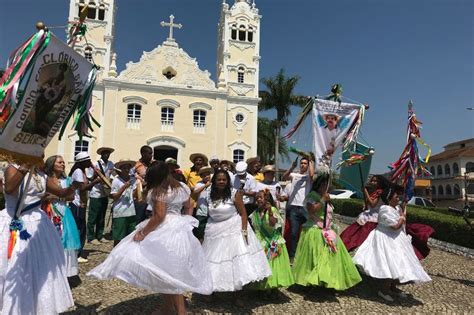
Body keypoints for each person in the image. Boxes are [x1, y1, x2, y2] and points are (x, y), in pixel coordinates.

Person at [87, 161, 212, 314]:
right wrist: (186, 221)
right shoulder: (182, 186)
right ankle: (167, 308)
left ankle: (180, 312)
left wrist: (143, 232)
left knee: (168, 273)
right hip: (180, 229)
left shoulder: (158, 191)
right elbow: (189, 205)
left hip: (165, 230)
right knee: (164, 271)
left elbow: (159, 216)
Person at [0, 162, 77, 313]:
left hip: (38, 224)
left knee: (40, 267)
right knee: (16, 263)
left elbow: (62, 193)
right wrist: (24, 168)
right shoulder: (13, 167)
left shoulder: (41, 175)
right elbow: (9, 189)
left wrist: (74, 186)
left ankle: (35, 305)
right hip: (15, 221)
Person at [353, 186, 431, 301]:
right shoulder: (385, 209)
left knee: (400, 263)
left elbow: (401, 220)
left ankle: (392, 287)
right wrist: (402, 218)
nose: (398, 198)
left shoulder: (396, 208)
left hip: (397, 239)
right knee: (390, 264)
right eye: (395, 196)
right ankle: (383, 290)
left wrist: (403, 209)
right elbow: (395, 226)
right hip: (386, 238)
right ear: (389, 198)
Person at [201, 169, 271, 292]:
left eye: (224, 179)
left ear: (228, 181)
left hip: (233, 228)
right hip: (214, 230)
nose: (221, 182)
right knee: (214, 261)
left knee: (234, 261)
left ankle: (237, 293)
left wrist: (244, 232)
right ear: (214, 181)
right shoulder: (208, 193)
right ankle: (213, 289)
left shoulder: (235, 193)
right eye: (219, 179)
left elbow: (243, 214)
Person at [292, 174, 362, 290]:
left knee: (327, 256)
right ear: (317, 185)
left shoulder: (327, 196)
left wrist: (327, 200)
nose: (324, 186)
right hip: (314, 229)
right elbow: (311, 210)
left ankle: (325, 280)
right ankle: (311, 281)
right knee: (315, 256)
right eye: (322, 184)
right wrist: (322, 200)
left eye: (326, 184)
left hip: (327, 230)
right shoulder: (312, 196)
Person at [43, 155, 81, 278]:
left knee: (65, 240)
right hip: (47, 212)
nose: (63, 164)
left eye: (63, 162)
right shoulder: (45, 179)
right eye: (59, 162)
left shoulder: (67, 181)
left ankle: (64, 271)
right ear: (52, 164)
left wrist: (56, 197)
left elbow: (71, 197)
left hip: (63, 211)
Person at [250, 190, 294, 290]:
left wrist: (269, 211)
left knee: (273, 266)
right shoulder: (255, 213)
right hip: (260, 243)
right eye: (257, 198)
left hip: (273, 242)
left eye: (261, 198)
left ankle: (272, 289)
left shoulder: (273, 210)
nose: (259, 200)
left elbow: (273, 223)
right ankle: (263, 287)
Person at [340, 175, 390, 252]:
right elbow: (368, 204)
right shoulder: (374, 191)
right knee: (354, 232)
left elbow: (373, 205)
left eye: (375, 181)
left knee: (362, 235)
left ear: (380, 182)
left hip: (374, 216)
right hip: (368, 213)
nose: (373, 182)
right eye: (372, 180)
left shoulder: (379, 192)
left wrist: (365, 191)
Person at [69, 152, 101, 263]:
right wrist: (96, 182)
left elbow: (85, 183)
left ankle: (77, 252)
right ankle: (76, 254)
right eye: (88, 160)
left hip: (80, 204)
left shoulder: (81, 171)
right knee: (79, 229)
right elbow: (83, 188)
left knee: (81, 228)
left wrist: (94, 178)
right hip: (77, 204)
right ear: (83, 162)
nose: (90, 162)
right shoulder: (78, 172)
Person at [282, 156, 314, 259]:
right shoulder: (294, 175)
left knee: (308, 232)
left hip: (305, 208)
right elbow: (284, 177)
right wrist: (292, 167)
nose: (303, 165)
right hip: (293, 208)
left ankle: (305, 255)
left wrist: (311, 162)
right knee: (294, 233)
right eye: (302, 163)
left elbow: (312, 174)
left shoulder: (309, 177)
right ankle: (293, 256)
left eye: (305, 163)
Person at [88, 147, 115, 245]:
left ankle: (100, 235)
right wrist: (96, 177)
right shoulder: (95, 164)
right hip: (96, 192)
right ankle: (91, 237)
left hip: (105, 192)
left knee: (102, 215)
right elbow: (90, 177)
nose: (107, 155)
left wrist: (109, 181)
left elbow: (112, 176)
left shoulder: (111, 164)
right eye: (105, 153)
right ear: (101, 154)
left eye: (108, 153)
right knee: (93, 215)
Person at [110, 159, 137, 246]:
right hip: (120, 212)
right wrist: (124, 187)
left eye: (128, 168)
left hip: (131, 211)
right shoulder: (116, 180)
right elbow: (114, 197)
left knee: (130, 236)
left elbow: (133, 194)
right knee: (118, 237)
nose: (126, 170)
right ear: (121, 169)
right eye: (124, 168)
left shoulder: (133, 180)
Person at [191, 166, 213, 240]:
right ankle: (200, 239)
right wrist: (205, 185)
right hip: (201, 209)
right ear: (201, 177)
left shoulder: (213, 183)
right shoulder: (199, 184)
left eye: (208, 175)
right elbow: (195, 192)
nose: (207, 176)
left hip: (211, 209)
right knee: (200, 226)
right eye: (204, 175)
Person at [134, 145, 153, 223]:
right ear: (143, 154)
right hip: (141, 197)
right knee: (139, 219)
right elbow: (133, 179)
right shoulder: (136, 166)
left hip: (152, 197)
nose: (151, 155)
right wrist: (143, 182)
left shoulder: (153, 164)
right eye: (150, 153)